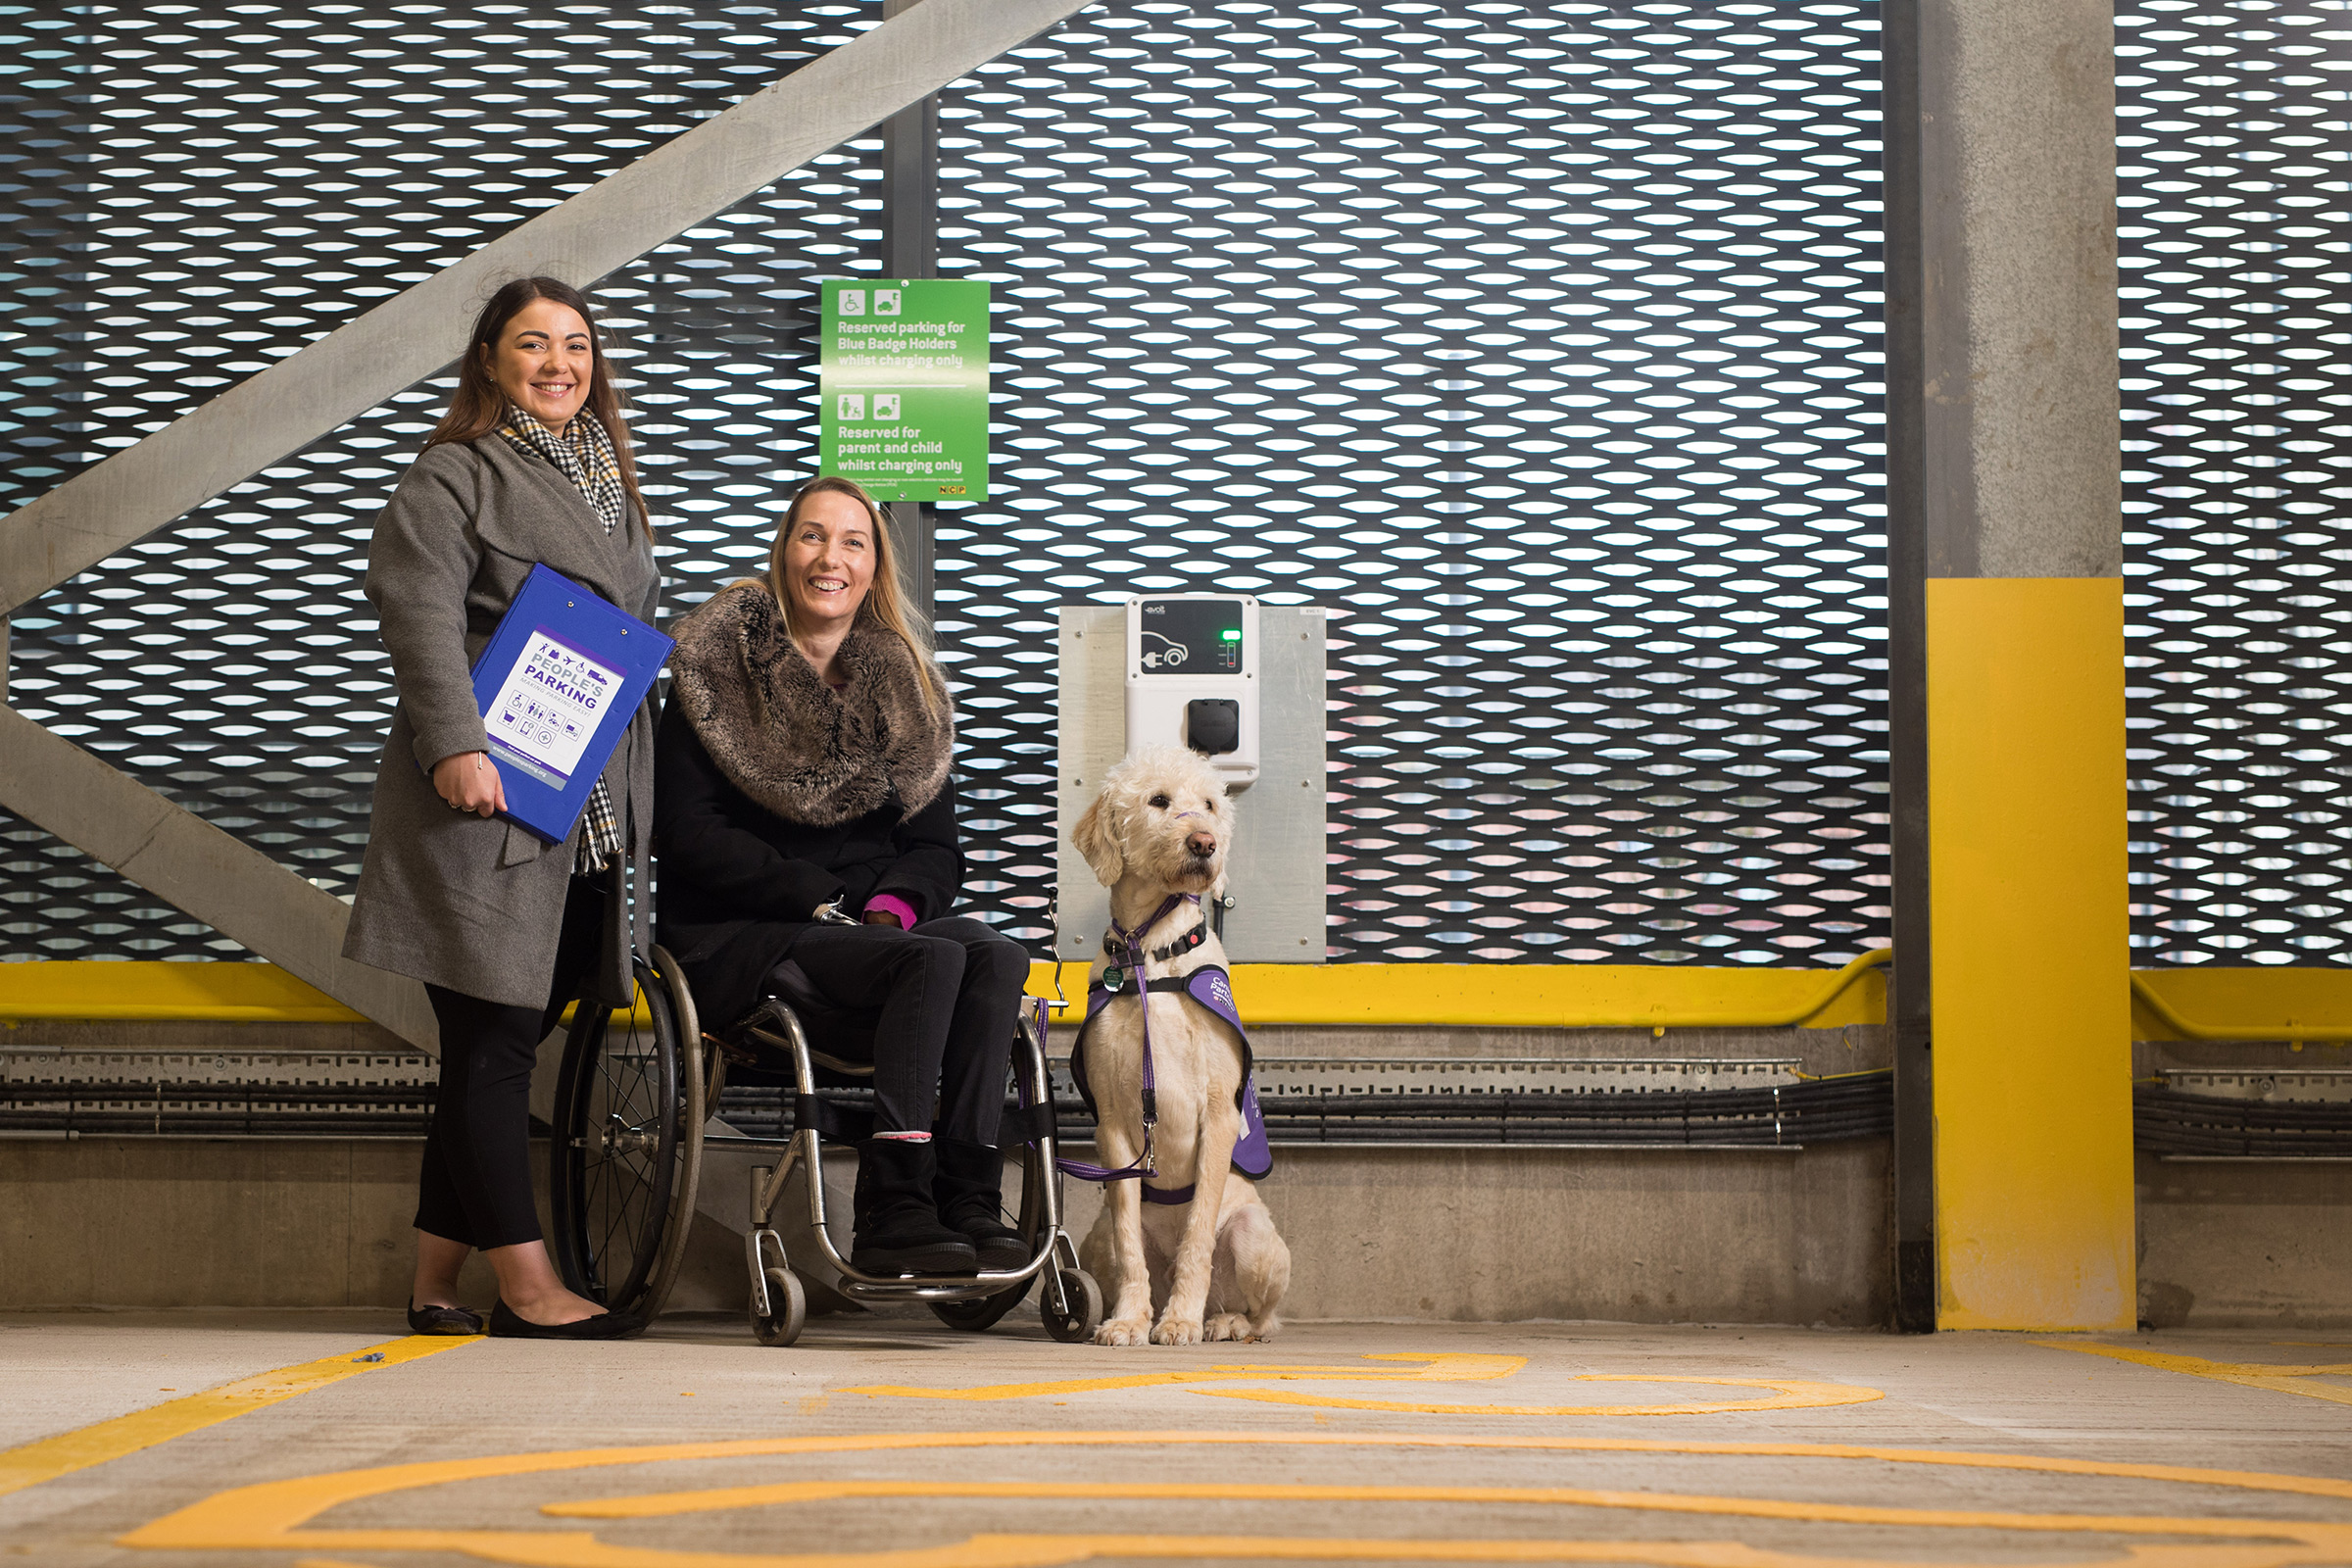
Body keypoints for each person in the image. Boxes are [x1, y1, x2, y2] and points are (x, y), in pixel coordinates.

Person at [342, 276, 660, 1340]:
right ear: (489, 359)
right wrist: (456, 745)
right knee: (495, 1045)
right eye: (533, 344)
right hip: (482, 801)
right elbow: (417, 607)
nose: (558, 362)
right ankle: (527, 1288)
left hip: (582, 808)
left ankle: (435, 1283)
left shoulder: (609, 473)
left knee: (491, 1042)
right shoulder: (454, 473)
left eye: (575, 344)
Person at [655, 475, 1030, 1276]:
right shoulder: (712, 675)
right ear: (785, 551)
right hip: (746, 933)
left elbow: (935, 848)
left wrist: (889, 909)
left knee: (993, 953)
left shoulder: (907, 693)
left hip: (872, 935)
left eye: (853, 542)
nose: (832, 557)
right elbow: (686, 834)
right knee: (931, 959)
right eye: (813, 536)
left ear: (873, 568)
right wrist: (819, 898)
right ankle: (894, 1203)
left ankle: (966, 1192)